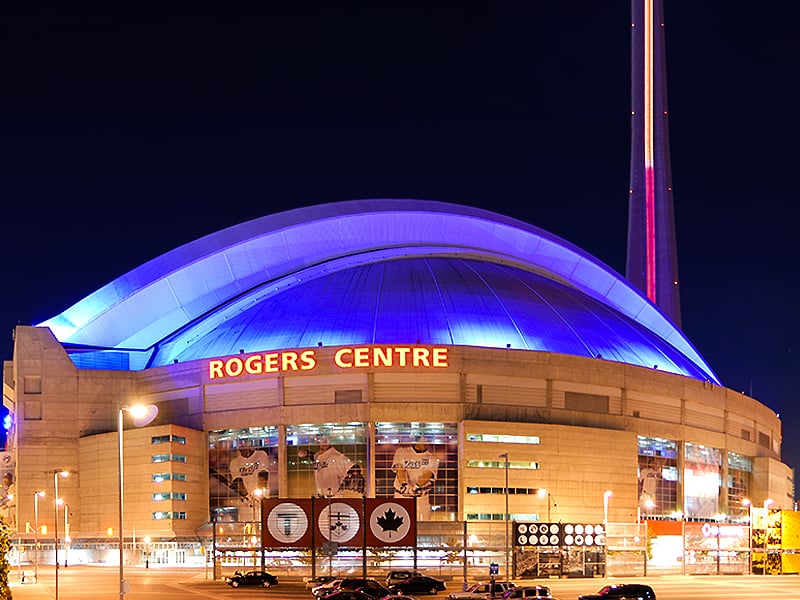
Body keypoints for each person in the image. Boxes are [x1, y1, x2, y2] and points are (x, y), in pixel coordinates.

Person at [392, 434, 439, 520]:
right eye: (423, 439)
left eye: (427, 439)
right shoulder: (402, 451)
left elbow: (428, 474)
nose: (425, 441)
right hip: (402, 496)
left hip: (421, 498)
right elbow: (400, 469)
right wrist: (405, 486)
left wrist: (416, 486)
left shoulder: (432, 458)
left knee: (422, 527)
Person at [313, 433, 365, 497]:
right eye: (322, 439)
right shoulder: (317, 456)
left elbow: (354, 467)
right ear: (317, 440)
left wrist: (351, 475)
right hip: (320, 498)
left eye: (327, 439)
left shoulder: (337, 456)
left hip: (334, 498)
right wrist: (306, 453)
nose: (325, 442)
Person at [229, 445, 272, 521]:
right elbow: (238, 481)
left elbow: (263, 475)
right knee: (246, 528)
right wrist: (247, 496)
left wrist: (259, 496)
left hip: (261, 500)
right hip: (246, 503)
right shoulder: (234, 463)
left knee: (263, 524)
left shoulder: (261, 455)